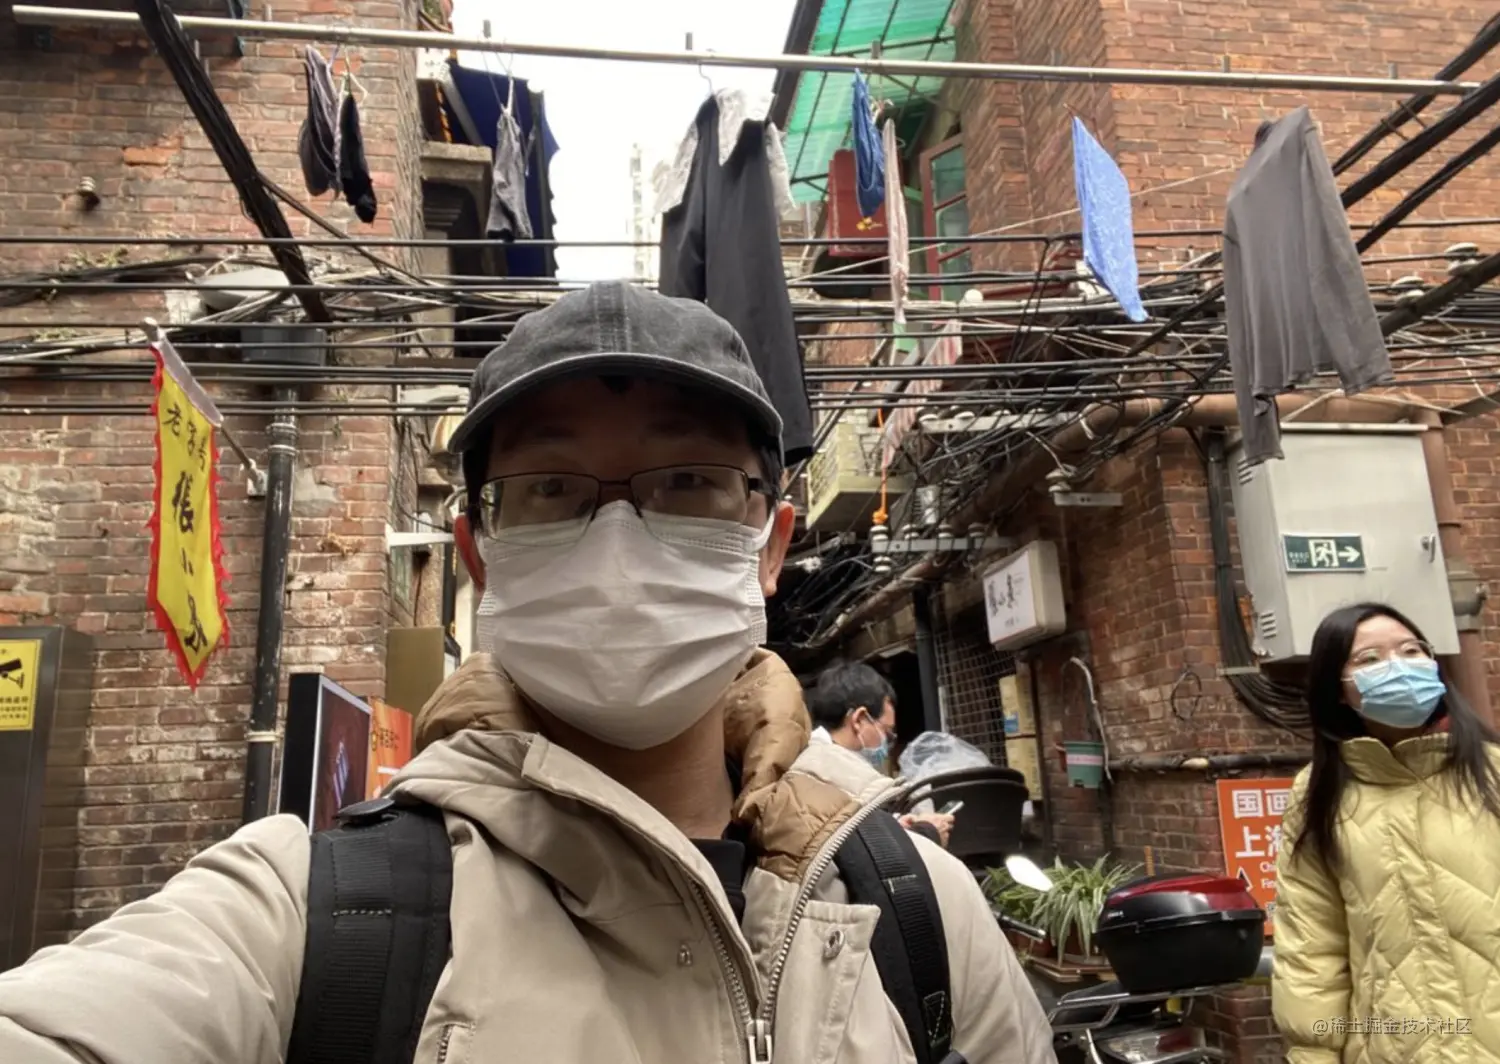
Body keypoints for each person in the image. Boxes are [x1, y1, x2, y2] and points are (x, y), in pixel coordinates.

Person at [0, 282, 1054, 1064]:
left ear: (770, 544)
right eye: (551, 488)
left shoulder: (919, 909)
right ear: (479, 553)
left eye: (688, 481)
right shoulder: (306, 919)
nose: (619, 541)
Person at [1273, 602, 1500, 1064]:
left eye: (1411, 650)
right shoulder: (1318, 795)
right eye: (1369, 659)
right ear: (1338, 690)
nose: (1399, 666)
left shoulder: (1492, 771)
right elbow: (1311, 946)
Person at [807, 662, 956, 847]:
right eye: (887, 732)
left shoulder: (815, 761)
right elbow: (864, 851)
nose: (887, 743)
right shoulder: (834, 776)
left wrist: (896, 825)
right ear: (859, 720)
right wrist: (927, 833)